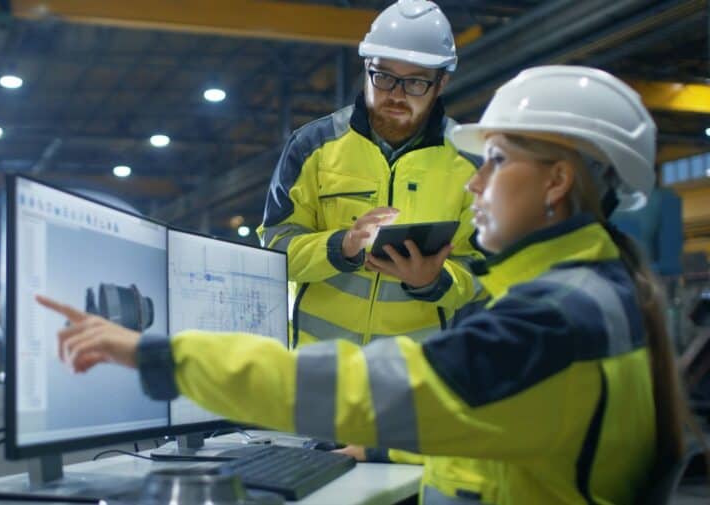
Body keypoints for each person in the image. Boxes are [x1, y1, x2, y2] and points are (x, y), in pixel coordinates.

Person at [38, 65, 694, 504]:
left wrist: (159, 353)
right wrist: (383, 441)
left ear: (556, 181)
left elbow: (361, 386)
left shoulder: (555, 318)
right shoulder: (593, 290)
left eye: (494, 160)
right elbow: (500, 414)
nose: (473, 182)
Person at [256, 0, 484, 349]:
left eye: (415, 83)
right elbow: (273, 248)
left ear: (441, 83)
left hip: (412, 374)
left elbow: (484, 270)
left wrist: (434, 280)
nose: (395, 94)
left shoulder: (470, 163)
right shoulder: (313, 146)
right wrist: (341, 246)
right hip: (316, 363)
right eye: (384, 76)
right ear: (367, 68)